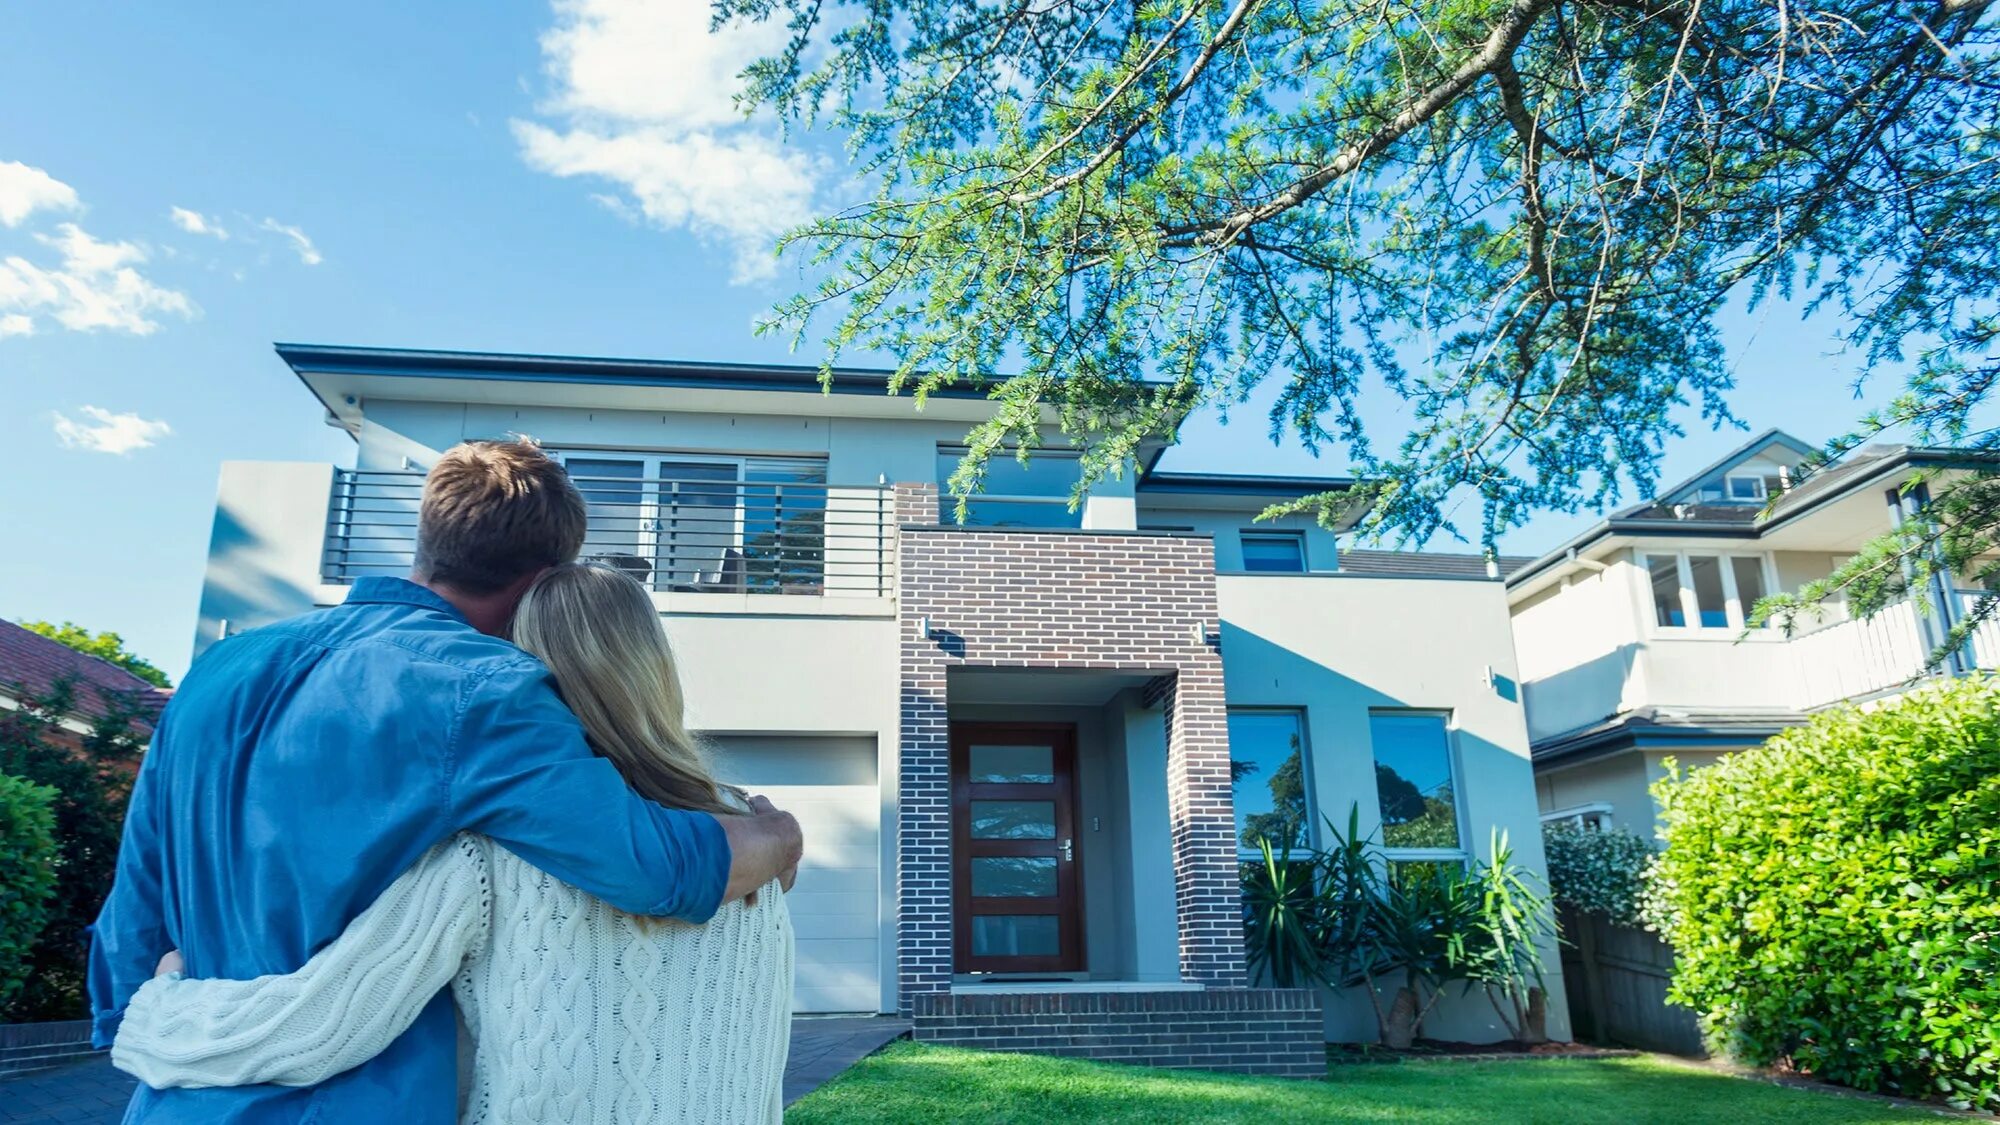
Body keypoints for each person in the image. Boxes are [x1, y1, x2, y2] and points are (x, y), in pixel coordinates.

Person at [88, 440, 803, 1123]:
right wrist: (776, 836)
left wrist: (152, 1026)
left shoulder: (215, 671)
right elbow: (648, 866)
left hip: (173, 1093)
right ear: (542, 581)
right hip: (356, 1105)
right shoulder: (487, 690)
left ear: (429, 539)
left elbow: (132, 917)